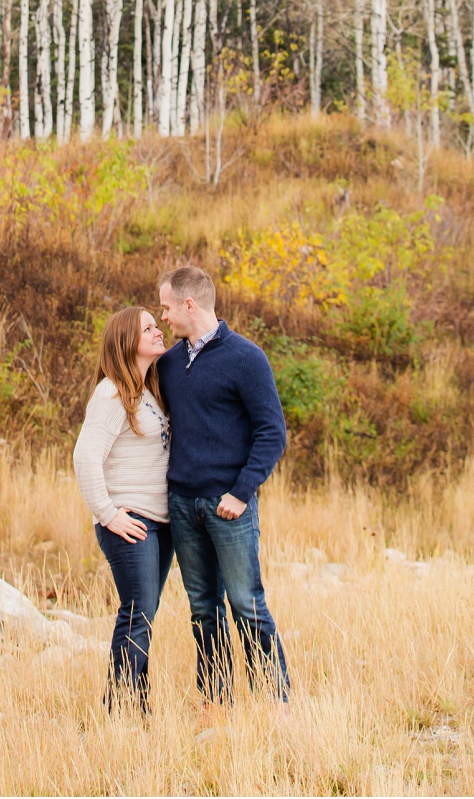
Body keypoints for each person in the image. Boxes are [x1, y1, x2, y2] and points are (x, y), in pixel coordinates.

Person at [156, 265, 290, 708]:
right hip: (182, 505)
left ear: (189, 304)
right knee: (202, 609)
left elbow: (272, 433)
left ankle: (274, 702)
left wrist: (241, 491)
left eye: (167, 307)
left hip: (229, 504)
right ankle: (216, 703)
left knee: (246, 604)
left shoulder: (247, 358)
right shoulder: (171, 364)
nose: (163, 317)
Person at [72, 307, 172, 709]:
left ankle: (139, 709)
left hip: (158, 524)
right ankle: (118, 712)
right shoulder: (112, 392)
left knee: (144, 617)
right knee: (137, 614)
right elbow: (85, 456)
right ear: (126, 341)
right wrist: (108, 514)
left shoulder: (148, 390)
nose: (158, 330)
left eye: (156, 324)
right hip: (131, 522)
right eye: (147, 328)